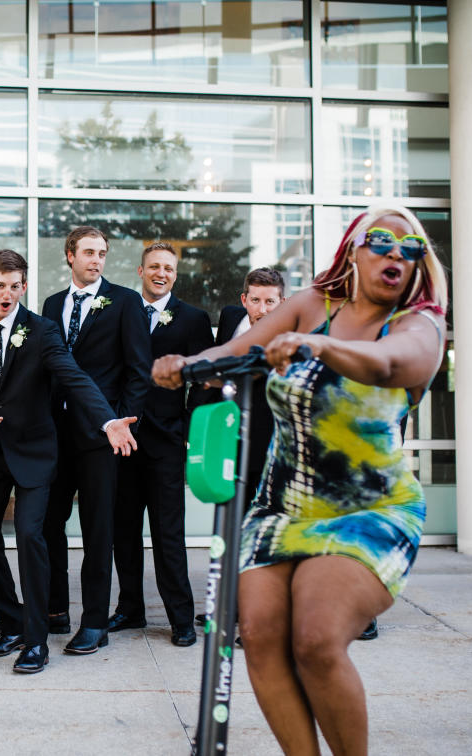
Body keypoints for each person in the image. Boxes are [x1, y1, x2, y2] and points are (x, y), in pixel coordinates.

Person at [153, 205, 447, 756]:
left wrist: (322, 346)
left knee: (315, 639)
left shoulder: (418, 324)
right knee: (260, 637)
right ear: (353, 250)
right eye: (382, 242)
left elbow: (389, 364)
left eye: (411, 250)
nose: (396, 255)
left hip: (369, 511)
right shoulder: (312, 304)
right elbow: (234, 352)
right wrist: (189, 363)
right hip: (282, 506)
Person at [0, 250, 137, 674]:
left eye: (16, 285)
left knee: (30, 537)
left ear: (24, 287)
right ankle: (12, 621)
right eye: (0, 285)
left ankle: (35, 640)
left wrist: (108, 419)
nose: (8, 293)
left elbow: (73, 376)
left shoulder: (42, 330)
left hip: (35, 453)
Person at [40, 226, 151, 655]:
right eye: (88, 252)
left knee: (97, 530)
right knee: (49, 524)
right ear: (70, 256)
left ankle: (94, 622)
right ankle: (55, 609)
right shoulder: (52, 304)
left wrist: (122, 425)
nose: (96, 260)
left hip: (102, 438)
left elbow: (139, 372)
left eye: (102, 253)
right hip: (56, 436)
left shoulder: (125, 302)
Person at [109, 242, 213, 647]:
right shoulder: (121, 309)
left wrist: (188, 428)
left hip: (167, 441)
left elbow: (204, 379)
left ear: (175, 274)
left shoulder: (193, 318)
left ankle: (181, 618)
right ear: (141, 270)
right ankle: (130, 608)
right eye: (154, 266)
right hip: (125, 440)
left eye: (168, 268)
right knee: (125, 531)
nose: (161, 273)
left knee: (169, 533)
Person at [215, 267, 285, 513]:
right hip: (227, 434)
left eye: (270, 302)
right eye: (255, 300)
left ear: (282, 303)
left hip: (268, 439)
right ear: (244, 299)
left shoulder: (291, 336)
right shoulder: (229, 318)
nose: (262, 309)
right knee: (227, 513)